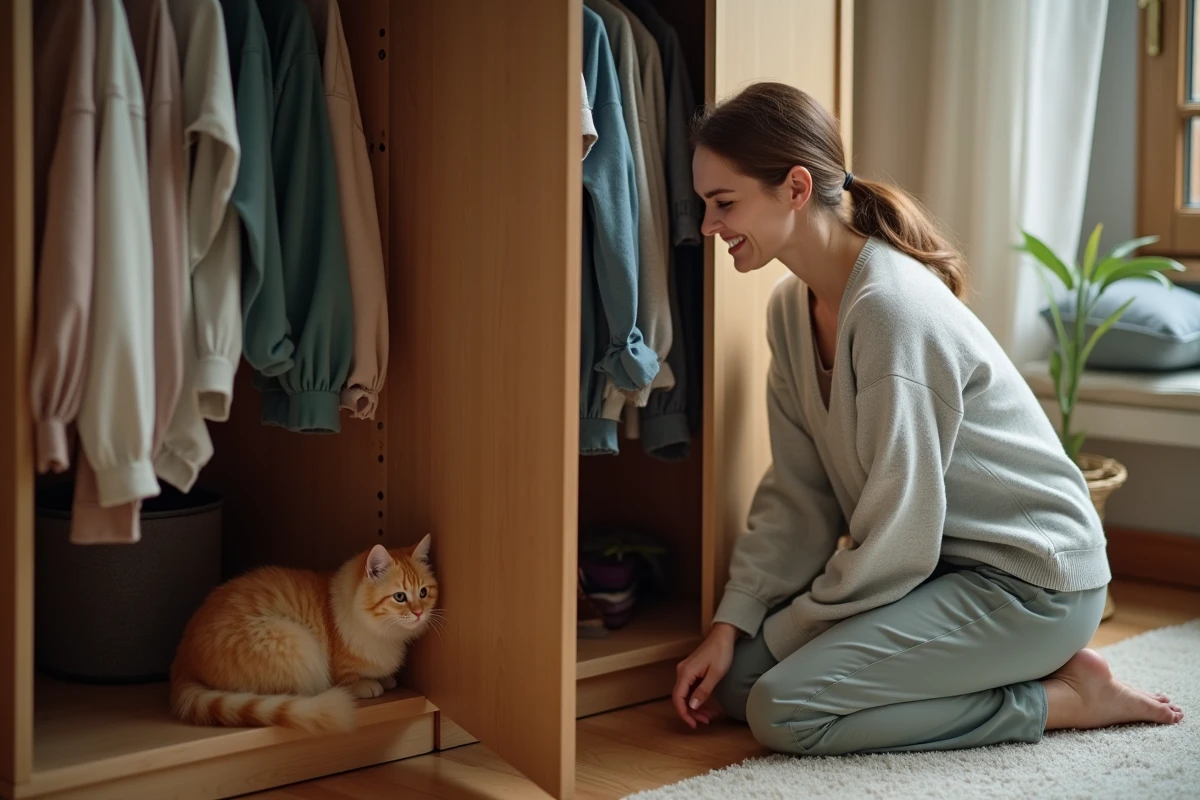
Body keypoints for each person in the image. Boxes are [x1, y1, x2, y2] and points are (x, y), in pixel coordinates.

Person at [672, 81, 1184, 756]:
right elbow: (799, 495)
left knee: (783, 711)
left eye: (723, 202)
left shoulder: (890, 311)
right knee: (736, 685)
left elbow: (898, 535)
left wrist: (798, 626)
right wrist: (731, 623)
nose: (708, 226)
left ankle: (1063, 698)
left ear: (795, 187)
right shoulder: (787, 312)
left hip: (1029, 583)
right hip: (940, 571)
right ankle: (1007, 668)